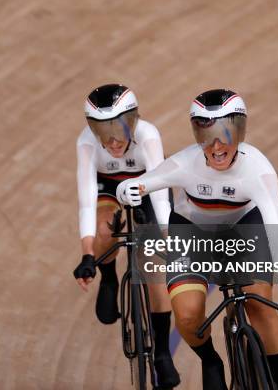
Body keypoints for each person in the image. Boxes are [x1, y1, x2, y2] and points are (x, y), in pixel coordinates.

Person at [116, 89, 278, 390]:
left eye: (224, 135)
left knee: (260, 306)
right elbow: (137, 184)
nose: (216, 146)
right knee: (189, 316)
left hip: (244, 231)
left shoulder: (258, 170)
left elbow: (277, 235)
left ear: (240, 133)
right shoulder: (185, 163)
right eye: (207, 136)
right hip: (192, 234)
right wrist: (127, 190)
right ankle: (211, 360)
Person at [73, 84, 180, 388]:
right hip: (107, 186)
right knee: (104, 226)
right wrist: (88, 256)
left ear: (132, 121)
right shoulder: (86, 143)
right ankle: (109, 277)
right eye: (101, 130)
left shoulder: (148, 135)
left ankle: (161, 352)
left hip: (147, 188)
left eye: (118, 128)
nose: (112, 140)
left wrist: (166, 237)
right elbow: (86, 201)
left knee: (153, 264)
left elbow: (161, 198)